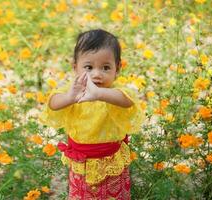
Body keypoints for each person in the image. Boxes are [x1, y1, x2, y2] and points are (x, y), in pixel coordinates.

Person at [39, 29, 145, 199]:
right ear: (75, 67)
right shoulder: (74, 91)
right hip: (82, 162)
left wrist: (99, 94)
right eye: (88, 67)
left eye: (105, 68)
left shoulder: (113, 93)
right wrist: (69, 97)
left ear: (117, 69)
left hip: (110, 161)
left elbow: (128, 100)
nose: (96, 74)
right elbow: (53, 103)